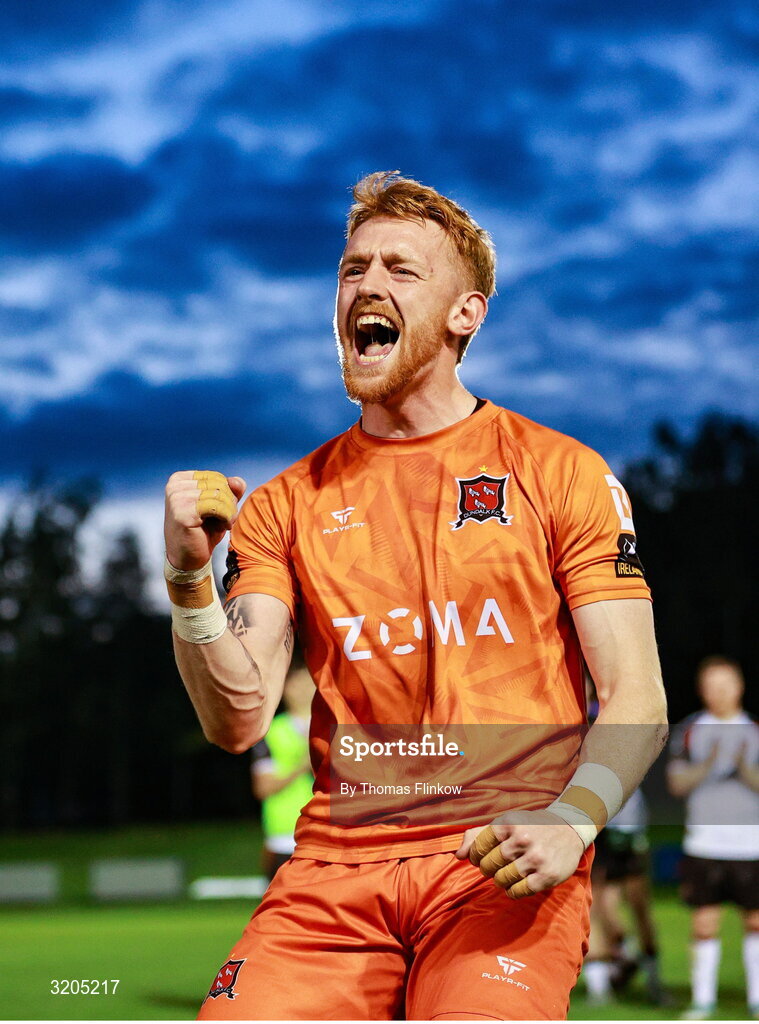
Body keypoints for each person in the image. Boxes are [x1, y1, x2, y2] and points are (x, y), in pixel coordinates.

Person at [163, 171, 668, 1020]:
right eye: (352, 268)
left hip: (498, 865)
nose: (365, 284)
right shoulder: (286, 504)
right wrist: (187, 584)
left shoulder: (557, 471)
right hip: (331, 872)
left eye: (400, 270)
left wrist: (573, 820)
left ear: (465, 313)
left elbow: (636, 696)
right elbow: (237, 718)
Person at [667, 656, 759, 1021]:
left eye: (726, 684)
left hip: (750, 845)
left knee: (755, 922)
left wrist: (741, 767)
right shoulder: (690, 730)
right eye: (711, 685)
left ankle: (755, 1000)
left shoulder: (753, 730)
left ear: (739, 686)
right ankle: (702, 1001)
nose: (719, 692)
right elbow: (676, 783)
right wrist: (709, 764)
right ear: (702, 690)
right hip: (704, 842)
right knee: (704, 922)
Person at [583, 787, 668, 1005]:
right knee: (596, 908)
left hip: (628, 833)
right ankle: (601, 987)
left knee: (638, 909)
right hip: (597, 832)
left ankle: (651, 982)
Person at [250, 647, 314, 881]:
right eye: (296, 683)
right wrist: (302, 765)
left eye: (308, 682)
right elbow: (263, 788)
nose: (303, 689)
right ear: (284, 687)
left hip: (332, 835)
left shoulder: (340, 729)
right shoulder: (271, 731)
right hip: (285, 838)